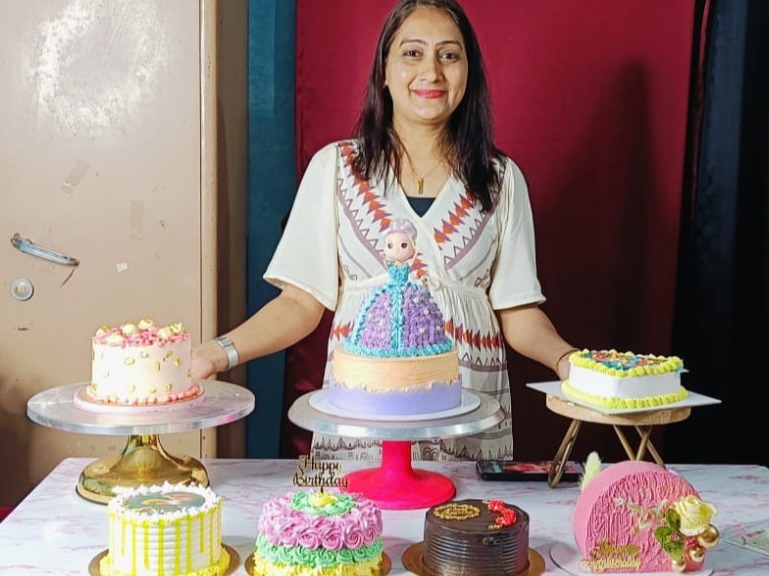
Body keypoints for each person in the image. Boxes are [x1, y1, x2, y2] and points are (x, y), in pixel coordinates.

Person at [193, 0, 577, 461]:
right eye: (412, 53)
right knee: (360, 509)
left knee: (462, 511)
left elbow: (519, 312)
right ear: (384, 72)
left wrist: (570, 361)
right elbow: (299, 304)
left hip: (468, 417)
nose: (431, 71)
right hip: (363, 424)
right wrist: (218, 353)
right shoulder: (337, 168)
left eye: (449, 55)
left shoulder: (500, 179)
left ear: (468, 73)